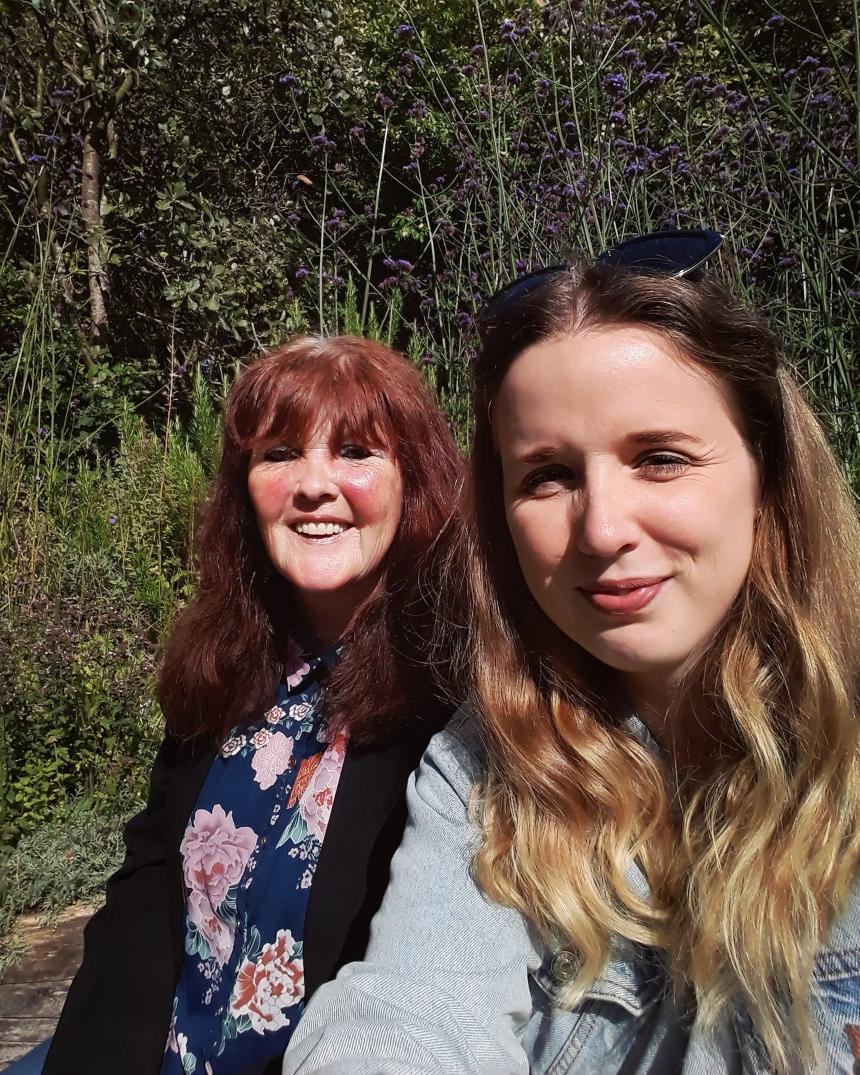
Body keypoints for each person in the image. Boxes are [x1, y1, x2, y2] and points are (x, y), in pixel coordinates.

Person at [284, 233, 860, 1074]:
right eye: (548, 475)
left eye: (660, 458)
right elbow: (408, 1010)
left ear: (766, 473)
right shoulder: (488, 768)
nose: (601, 529)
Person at [42, 334, 464, 1075]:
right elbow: (145, 896)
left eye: (356, 451)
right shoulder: (225, 666)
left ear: (414, 478)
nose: (313, 484)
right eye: (279, 453)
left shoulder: (455, 700)